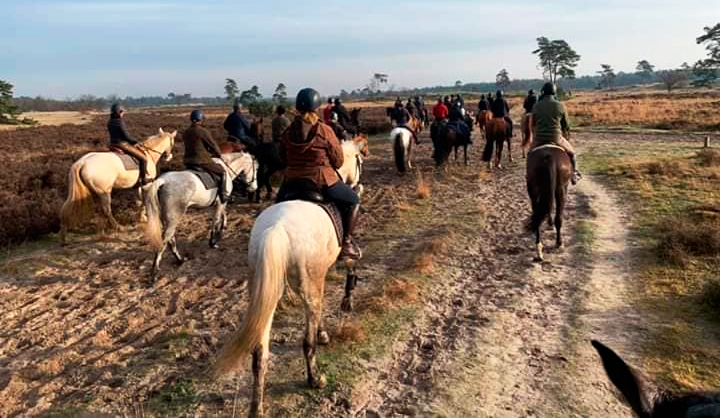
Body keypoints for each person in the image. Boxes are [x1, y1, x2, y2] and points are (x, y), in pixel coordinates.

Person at [277, 88, 361, 260]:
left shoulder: (287, 133)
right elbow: (338, 161)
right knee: (353, 200)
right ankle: (346, 242)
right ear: (316, 108)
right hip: (321, 181)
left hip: (292, 181)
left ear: (297, 108)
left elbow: (282, 158)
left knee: (276, 207)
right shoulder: (325, 130)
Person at [531, 82, 582, 184]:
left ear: (543, 92)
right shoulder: (560, 106)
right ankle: (574, 174)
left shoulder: (536, 106)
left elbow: (533, 124)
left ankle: (530, 175)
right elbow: (566, 125)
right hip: (556, 138)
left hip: (539, 138)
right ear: (554, 92)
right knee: (572, 154)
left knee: (529, 154)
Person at [184, 110, 230, 202]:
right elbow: (212, 144)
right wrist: (218, 154)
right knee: (222, 172)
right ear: (201, 119)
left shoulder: (186, 131)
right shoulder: (202, 131)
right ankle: (223, 194)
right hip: (202, 161)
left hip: (188, 161)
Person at [107, 103, 150, 185]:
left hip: (112, 144)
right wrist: (136, 141)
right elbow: (126, 136)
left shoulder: (110, 121)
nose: (123, 114)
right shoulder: (120, 121)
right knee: (143, 158)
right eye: (122, 112)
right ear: (119, 112)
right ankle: (144, 179)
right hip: (122, 144)